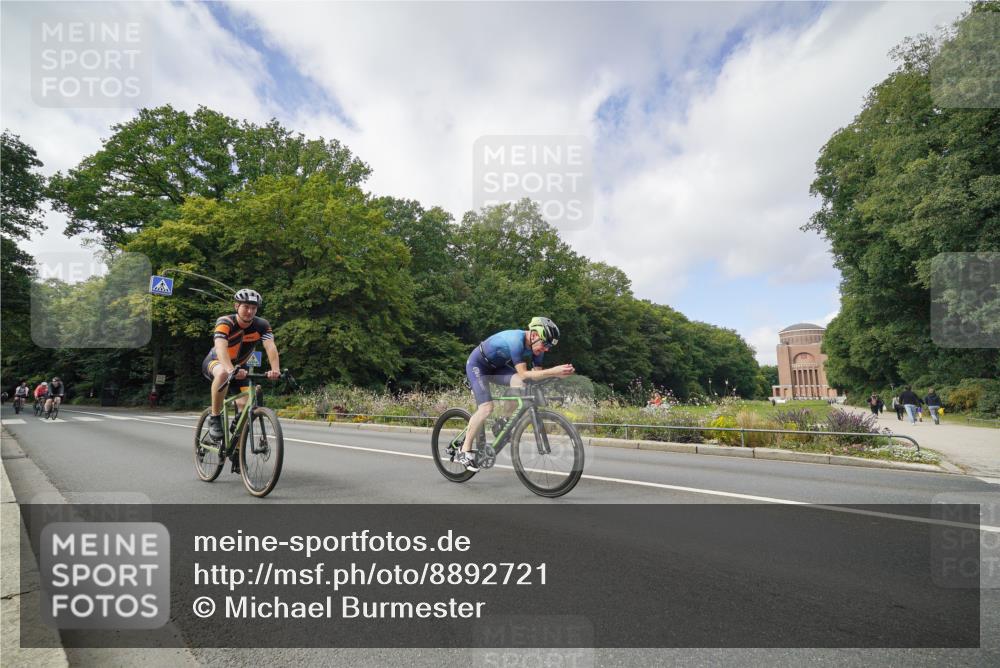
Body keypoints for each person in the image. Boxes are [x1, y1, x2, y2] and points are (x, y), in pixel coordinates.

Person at [457, 317, 574, 471]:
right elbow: (525, 373)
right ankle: (464, 450)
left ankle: (503, 422)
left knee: (521, 383)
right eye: (545, 344)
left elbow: (535, 377)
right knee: (486, 408)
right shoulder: (515, 340)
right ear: (533, 335)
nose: (546, 349)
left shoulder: (537, 349)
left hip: (497, 368)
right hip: (478, 365)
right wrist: (554, 371)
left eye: (548, 347)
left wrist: (557, 375)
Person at [202, 289, 280, 457]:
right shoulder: (225, 322)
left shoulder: (262, 325)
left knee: (247, 406)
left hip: (240, 370)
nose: (250, 311)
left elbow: (270, 346)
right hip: (216, 363)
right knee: (222, 372)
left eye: (254, 308)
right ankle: (215, 417)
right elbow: (221, 347)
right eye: (245, 307)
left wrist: (276, 369)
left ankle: (236, 449)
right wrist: (230, 369)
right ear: (236, 306)